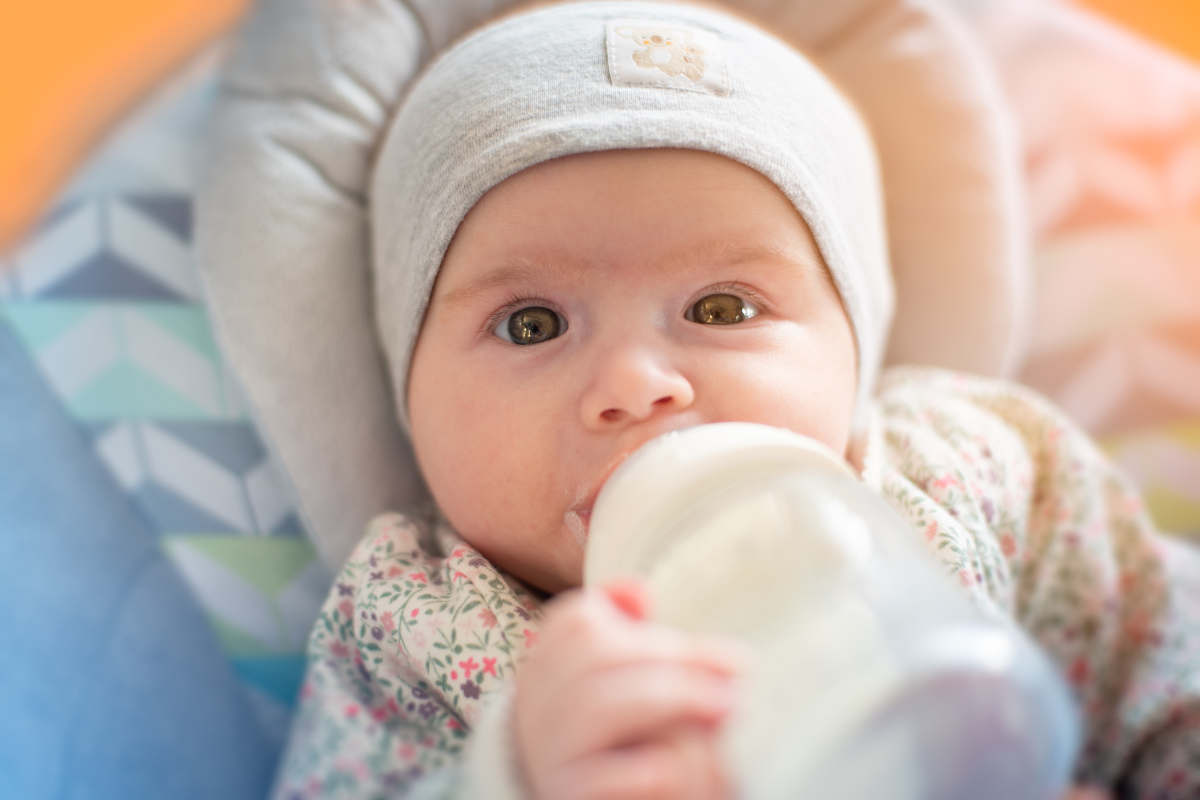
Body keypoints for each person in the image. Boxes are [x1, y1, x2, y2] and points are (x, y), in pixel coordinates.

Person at [270, 2, 1200, 798]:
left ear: (854, 350)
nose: (636, 383)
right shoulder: (415, 623)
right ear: (409, 393)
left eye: (723, 308)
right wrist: (517, 775)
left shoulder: (977, 466)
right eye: (531, 325)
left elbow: (1167, 659)